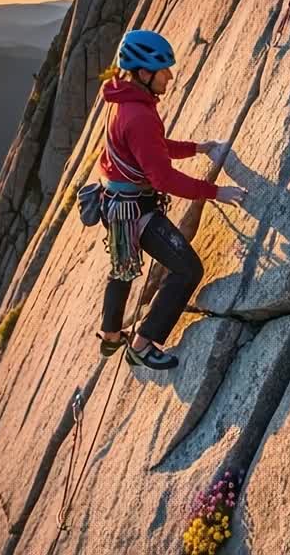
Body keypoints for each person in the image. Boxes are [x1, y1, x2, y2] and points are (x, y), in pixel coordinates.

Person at [95, 29, 246, 369]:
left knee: (123, 269)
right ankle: (142, 345)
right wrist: (215, 192)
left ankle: (111, 335)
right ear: (144, 73)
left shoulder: (124, 102)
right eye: (163, 70)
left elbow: (152, 149)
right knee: (188, 269)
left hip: (116, 205)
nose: (170, 77)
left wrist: (197, 148)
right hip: (136, 211)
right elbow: (162, 177)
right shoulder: (138, 116)